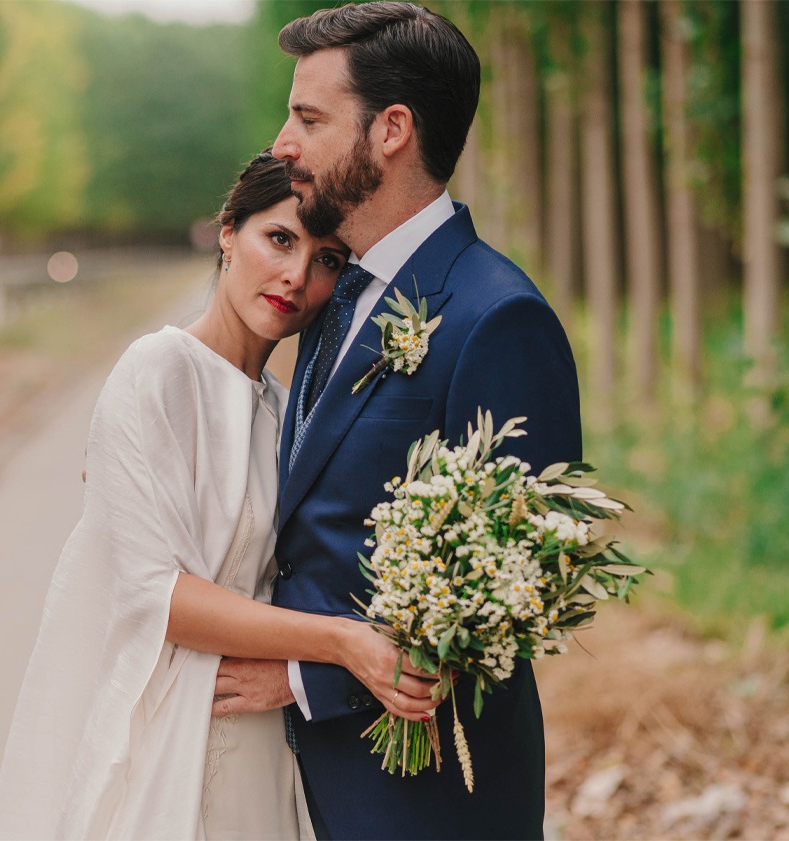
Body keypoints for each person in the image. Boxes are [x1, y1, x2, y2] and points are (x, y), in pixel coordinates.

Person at [0, 151, 440, 840]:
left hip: (263, 738)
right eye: (279, 239)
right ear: (229, 232)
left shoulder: (291, 414)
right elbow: (157, 595)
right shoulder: (156, 372)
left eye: (326, 261)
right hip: (172, 730)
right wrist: (343, 643)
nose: (295, 275)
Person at [210, 4, 583, 839]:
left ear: (392, 130)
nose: (282, 143)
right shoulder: (328, 290)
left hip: (423, 795)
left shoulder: (497, 318)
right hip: (292, 781)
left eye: (308, 117)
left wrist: (305, 677)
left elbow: (516, 593)